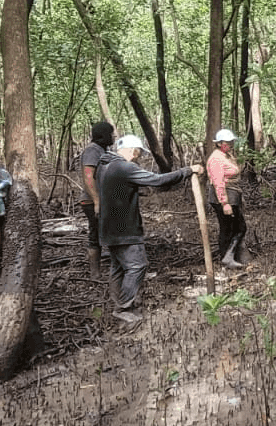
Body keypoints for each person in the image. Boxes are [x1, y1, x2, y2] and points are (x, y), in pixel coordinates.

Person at [99, 134, 201, 318]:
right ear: (133, 150)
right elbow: (158, 180)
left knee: (118, 267)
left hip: (108, 227)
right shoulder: (125, 167)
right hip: (124, 229)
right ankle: (123, 308)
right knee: (137, 266)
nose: (138, 157)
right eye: (138, 153)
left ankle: (118, 304)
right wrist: (187, 170)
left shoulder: (105, 166)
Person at [207, 129, 250, 269]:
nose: (231, 144)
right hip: (224, 197)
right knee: (235, 228)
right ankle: (227, 258)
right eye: (228, 142)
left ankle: (228, 257)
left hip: (231, 195)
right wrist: (224, 203)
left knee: (234, 228)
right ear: (219, 143)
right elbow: (218, 182)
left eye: (232, 142)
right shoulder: (216, 159)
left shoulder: (226, 156)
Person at [79, 120, 115, 280]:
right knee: (96, 235)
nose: (113, 137)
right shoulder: (92, 151)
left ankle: (112, 271)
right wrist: (97, 201)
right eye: (111, 134)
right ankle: (95, 273)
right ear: (104, 135)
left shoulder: (103, 150)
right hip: (92, 201)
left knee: (106, 233)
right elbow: (88, 176)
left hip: (103, 200)